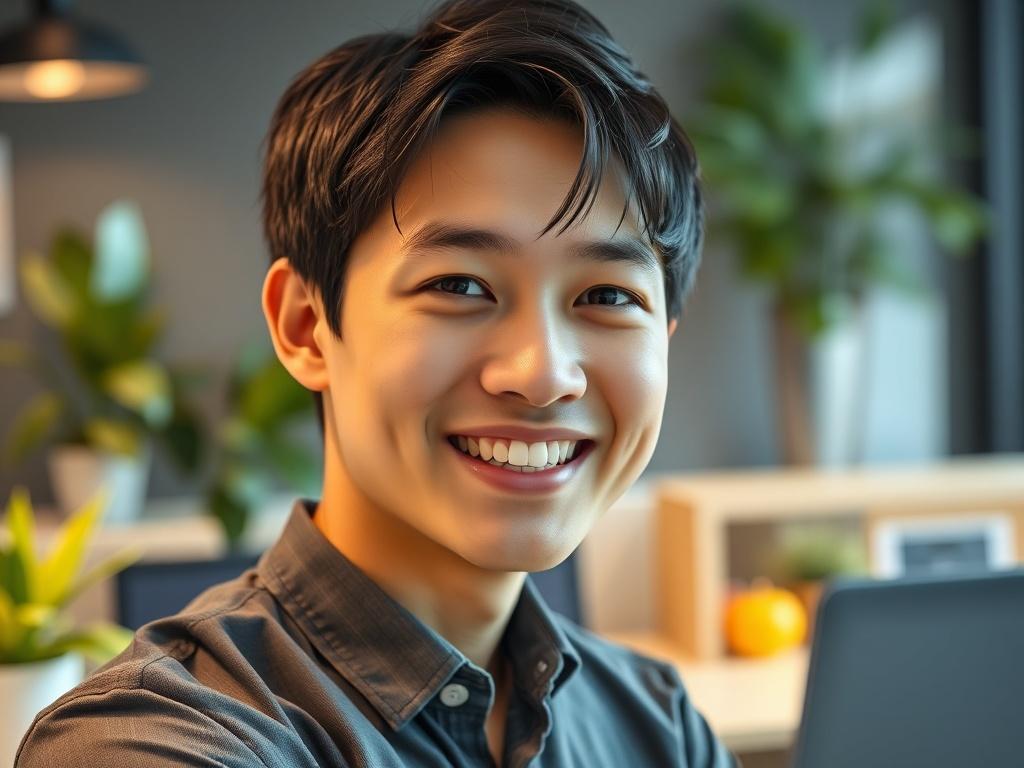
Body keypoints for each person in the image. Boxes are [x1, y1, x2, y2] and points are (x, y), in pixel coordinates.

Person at [17, 0, 736, 765]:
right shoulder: (154, 739)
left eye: (606, 297)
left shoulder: (659, 728)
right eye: (460, 285)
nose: (542, 375)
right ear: (304, 326)